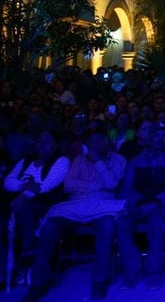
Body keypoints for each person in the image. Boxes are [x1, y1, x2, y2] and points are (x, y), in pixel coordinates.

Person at [23, 122, 127, 302]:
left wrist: (98, 162)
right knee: (49, 226)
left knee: (108, 225)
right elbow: (69, 185)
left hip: (103, 206)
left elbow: (111, 184)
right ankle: (38, 283)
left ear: (107, 140)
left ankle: (99, 281)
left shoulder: (119, 159)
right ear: (86, 142)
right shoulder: (79, 159)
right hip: (75, 205)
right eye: (92, 140)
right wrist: (96, 186)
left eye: (100, 139)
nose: (96, 143)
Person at [116, 123, 165, 290]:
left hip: (163, 204)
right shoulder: (136, 160)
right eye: (156, 135)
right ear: (149, 138)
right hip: (139, 203)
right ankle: (132, 270)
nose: (160, 140)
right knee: (122, 222)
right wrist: (137, 202)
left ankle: (155, 271)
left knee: (157, 223)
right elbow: (126, 189)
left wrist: (154, 204)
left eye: (164, 136)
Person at [3, 129, 70, 274]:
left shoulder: (61, 160)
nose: (41, 144)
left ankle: (28, 248)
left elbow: (48, 184)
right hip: (17, 200)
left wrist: (24, 195)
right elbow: (8, 182)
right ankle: (5, 267)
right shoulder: (25, 161)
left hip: (44, 202)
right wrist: (24, 185)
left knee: (24, 207)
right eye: (39, 140)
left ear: (55, 145)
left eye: (47, 141)